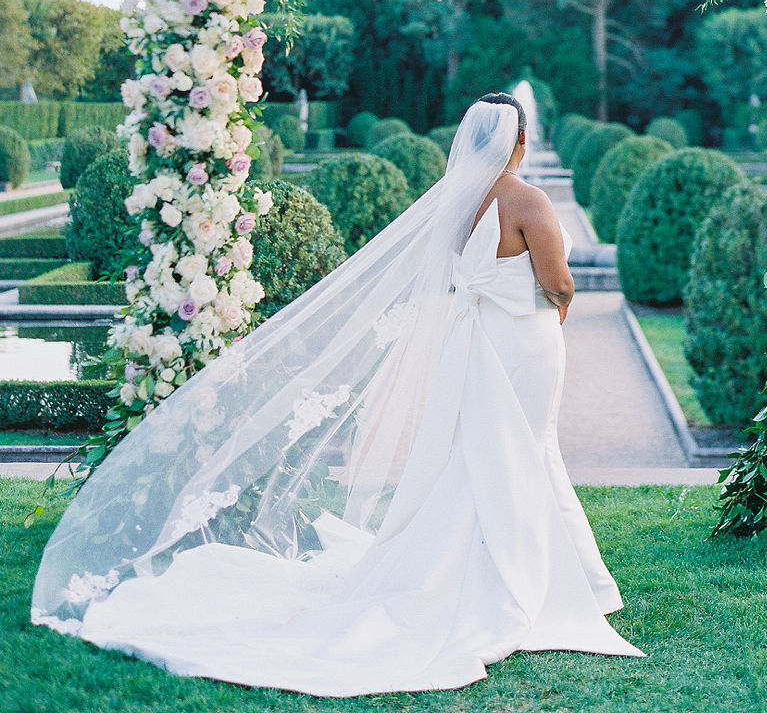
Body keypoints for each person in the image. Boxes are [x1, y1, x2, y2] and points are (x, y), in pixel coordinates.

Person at [31, 93, 643, 697]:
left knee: (479, 451)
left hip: (472, 342)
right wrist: (559, 307)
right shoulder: (528, 200)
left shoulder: (453, 202)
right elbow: (557, 279)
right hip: (525, 346)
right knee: (526, 449)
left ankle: (529, 574)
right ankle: (534, 582)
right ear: (520, 141)